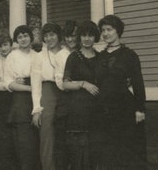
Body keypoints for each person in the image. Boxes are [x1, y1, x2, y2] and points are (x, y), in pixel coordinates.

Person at [93, 15, 147, 169]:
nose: (105, 33)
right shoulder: (99, 56)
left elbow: (138, 83)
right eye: (103, 30)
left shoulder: (129, 55)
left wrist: (140, 109)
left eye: (109, 29)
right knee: (107, 152)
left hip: (124, 109)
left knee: (126, 151)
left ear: (118, 31)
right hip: (104, 110)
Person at [56, 20, 101, 170]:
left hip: (96, 109)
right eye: (83, 35)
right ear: (80, 37)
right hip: (78, 109)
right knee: (79, 152)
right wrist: (83, 83)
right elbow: (65, 83)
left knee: (94, 150)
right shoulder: (74, 57)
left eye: (90, 35)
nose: (87, 39)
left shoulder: (101, 57)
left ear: (95, 37)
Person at [31, 22, 69, 170]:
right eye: (46, 36)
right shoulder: (39, 57)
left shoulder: (67, 54)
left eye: (52, 34)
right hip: (47, 92)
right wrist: (36, 110)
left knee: (65, 133)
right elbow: (35, 84)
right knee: (47, 134)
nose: (49, 38)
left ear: (58, 36)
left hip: (66, 92)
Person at [4, 25, 41, 170]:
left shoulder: (36, 56)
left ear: (31, 37)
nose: (23, 39)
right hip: (20, 101)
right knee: (23, 143)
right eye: (19, 37)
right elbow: (8, 82)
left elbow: (39, 79)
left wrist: (35, 91)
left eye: (25, 35)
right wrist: (28, 88)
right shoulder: (12, 56)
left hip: (37, 98)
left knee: (36, 143)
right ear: (16, 40)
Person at [0, 29, 18, 170]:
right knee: (1, 135)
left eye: (5, 44)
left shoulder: (17, 57)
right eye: (0, 46)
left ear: (10, 44)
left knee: (14, 133)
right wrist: (10, 84)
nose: (3, 48)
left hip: (16, 97)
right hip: (1, 100)